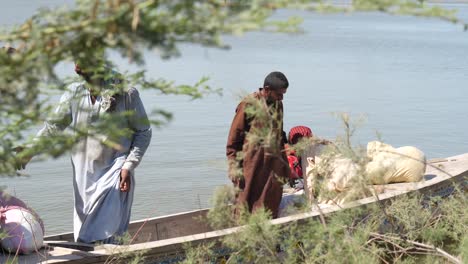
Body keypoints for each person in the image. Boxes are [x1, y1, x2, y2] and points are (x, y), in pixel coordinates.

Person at [18, 62, 152, 244]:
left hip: (115, 171)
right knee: (85, 234)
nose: (77, 69)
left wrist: (129, 165)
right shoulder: (74, 92)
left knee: (108, 231)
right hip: (83, 174)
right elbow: (54, 126)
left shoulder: (126, 93)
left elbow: (143, 131)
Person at [226, 71, 290, 219]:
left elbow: (279, 137)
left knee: (269, 208)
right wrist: (234, 169)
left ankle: (268, 240)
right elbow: (233, 142)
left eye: (284, 94)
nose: (282, 98)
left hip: (272, 170)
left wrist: (285, 167)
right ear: (267, 90)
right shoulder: (248, 105)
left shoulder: (278, 105)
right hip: (251, 168)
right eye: (279, 94)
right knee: (245, 209)